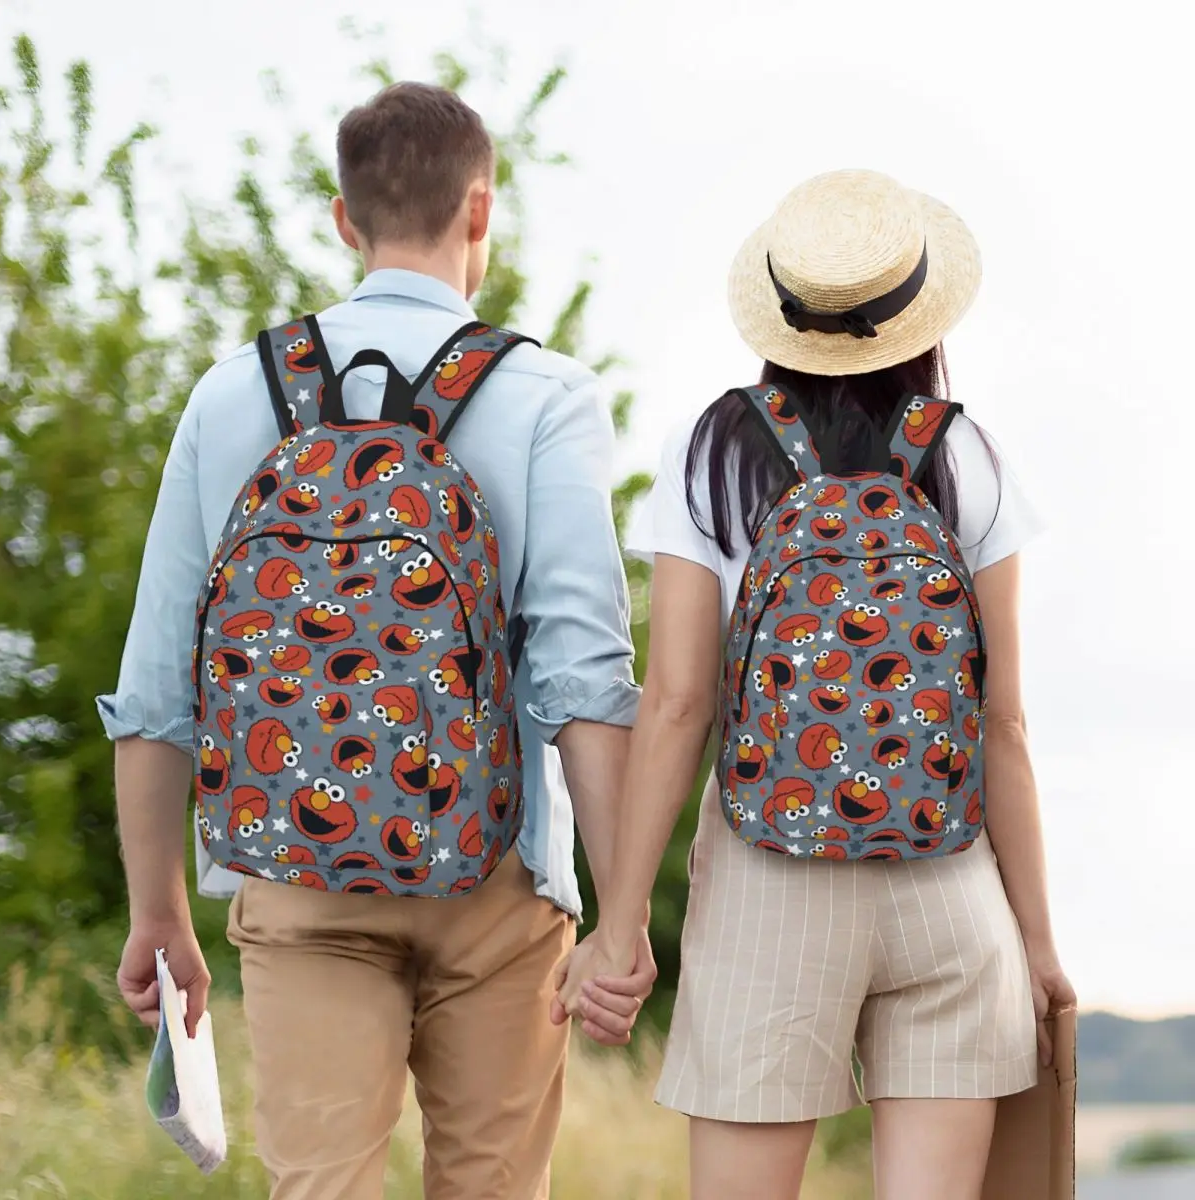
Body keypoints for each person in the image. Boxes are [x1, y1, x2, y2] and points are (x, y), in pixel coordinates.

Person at [100, 81, 656, 1200]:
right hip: (497, 875)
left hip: (296, 879)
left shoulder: (230, 395)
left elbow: (159, 684)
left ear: (344, 219)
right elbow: (584, 678)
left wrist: (158, 910)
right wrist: (623, 915)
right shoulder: (545, 395)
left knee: (320, 1186)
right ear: (481, 212)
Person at [555, 169, 1076, 1200]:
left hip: (768, 879)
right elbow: (1003, 723)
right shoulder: (968, 455)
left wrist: (619, 927)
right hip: (949, 882)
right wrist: (1037, 942)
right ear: (919, 317)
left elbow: (677, 704)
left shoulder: (712, 451)